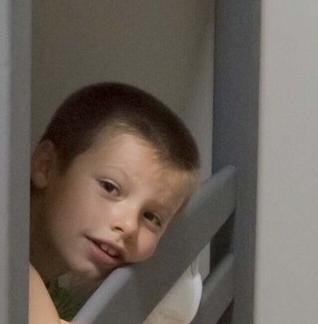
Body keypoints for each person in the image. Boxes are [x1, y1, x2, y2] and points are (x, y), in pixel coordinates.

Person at [26, 82, 201, 323]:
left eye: (151, 217)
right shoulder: (6, 267)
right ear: (46, 166)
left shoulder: (56, 292)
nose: (128, 225)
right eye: (110, 188)